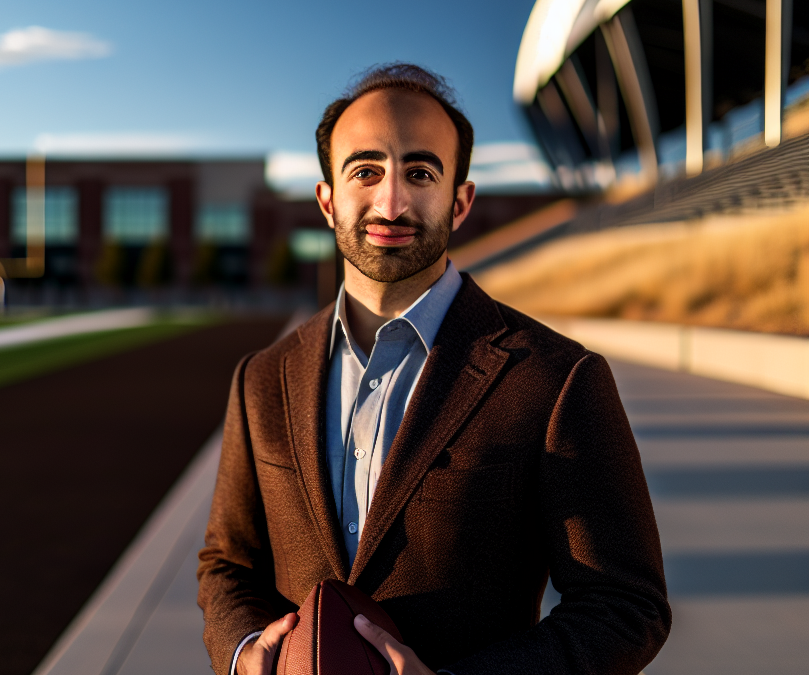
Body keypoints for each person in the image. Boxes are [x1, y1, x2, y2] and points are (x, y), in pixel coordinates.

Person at [197, 63, 670, 675]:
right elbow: (228, 564)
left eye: (420, 173)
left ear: (460, 200)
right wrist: (242, 655)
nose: (391, 201)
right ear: (327, 198)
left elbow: (626, 605)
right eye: (365, 171)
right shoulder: (262, 377)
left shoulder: (556, 377)